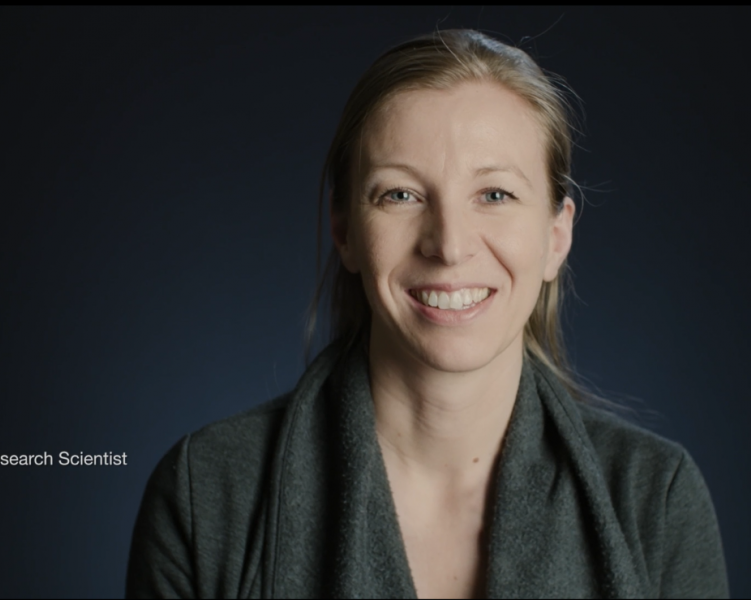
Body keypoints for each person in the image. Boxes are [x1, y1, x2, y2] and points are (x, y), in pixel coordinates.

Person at [126, 29, 730, 599]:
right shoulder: (205, 494)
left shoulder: (657, 499)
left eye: (495, 194)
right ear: (345, 231)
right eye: (401, 195)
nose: (449, 244)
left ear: (556, 235)